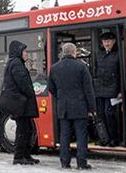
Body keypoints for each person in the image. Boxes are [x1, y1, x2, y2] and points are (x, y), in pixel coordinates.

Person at [48, 42, 96, 170]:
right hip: (80, 107)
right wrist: (92, 108)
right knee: (81, 136)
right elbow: (88, 90)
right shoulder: (81, 67)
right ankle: (81, 163)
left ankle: (64, 162)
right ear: (74, 53)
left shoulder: (54, 68)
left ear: (63, 53)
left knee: (64, 136)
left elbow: (51, 88)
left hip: (63, 107)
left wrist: (61, 97)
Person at [2, 40, 40, 165]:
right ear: (18, 51)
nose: (26, 53)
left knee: (27, 129)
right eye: (24, 51)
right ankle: (19, 157)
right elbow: (23, 84)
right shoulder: (16, 64)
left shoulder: (15, 63)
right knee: (23, 130)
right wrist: (30, 93)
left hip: (20, 103)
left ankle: (26, 155)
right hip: (21, 103)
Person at [94, 31, 121, 146]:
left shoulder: (119, 54)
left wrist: (120, 90)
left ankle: (114, 138)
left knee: (109, 114)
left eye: (109, 41)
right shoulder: (98, 54)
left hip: (113, 90)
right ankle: (103, 138)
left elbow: (121, 73)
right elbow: (94, 71)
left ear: (114, 41)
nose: (107, 43)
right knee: (100, 114)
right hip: (99, 89)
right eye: (104, 41)